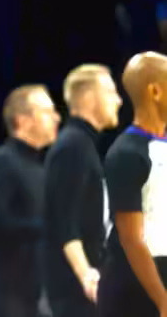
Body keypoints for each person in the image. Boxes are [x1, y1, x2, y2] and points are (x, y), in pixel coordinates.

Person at [0, 85, 60, 317]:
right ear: (22, 120)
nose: (57, 118)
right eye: (47, 111)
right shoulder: (0, 162)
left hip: (34, 300)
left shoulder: (41, 170)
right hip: (3, 302)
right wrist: (55, 228)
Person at [43, 64, 122, 317]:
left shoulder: (82, 144)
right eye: (110, 92)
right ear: (88, 97)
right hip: (75, 295)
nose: (119, 100)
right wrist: (87, 276)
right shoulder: (72, 146)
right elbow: (64, 223)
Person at [97, 51, 167, 317]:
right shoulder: (126, 153)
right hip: (134, 290)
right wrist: (162, 299)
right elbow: (131, 239)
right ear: (155, 91)